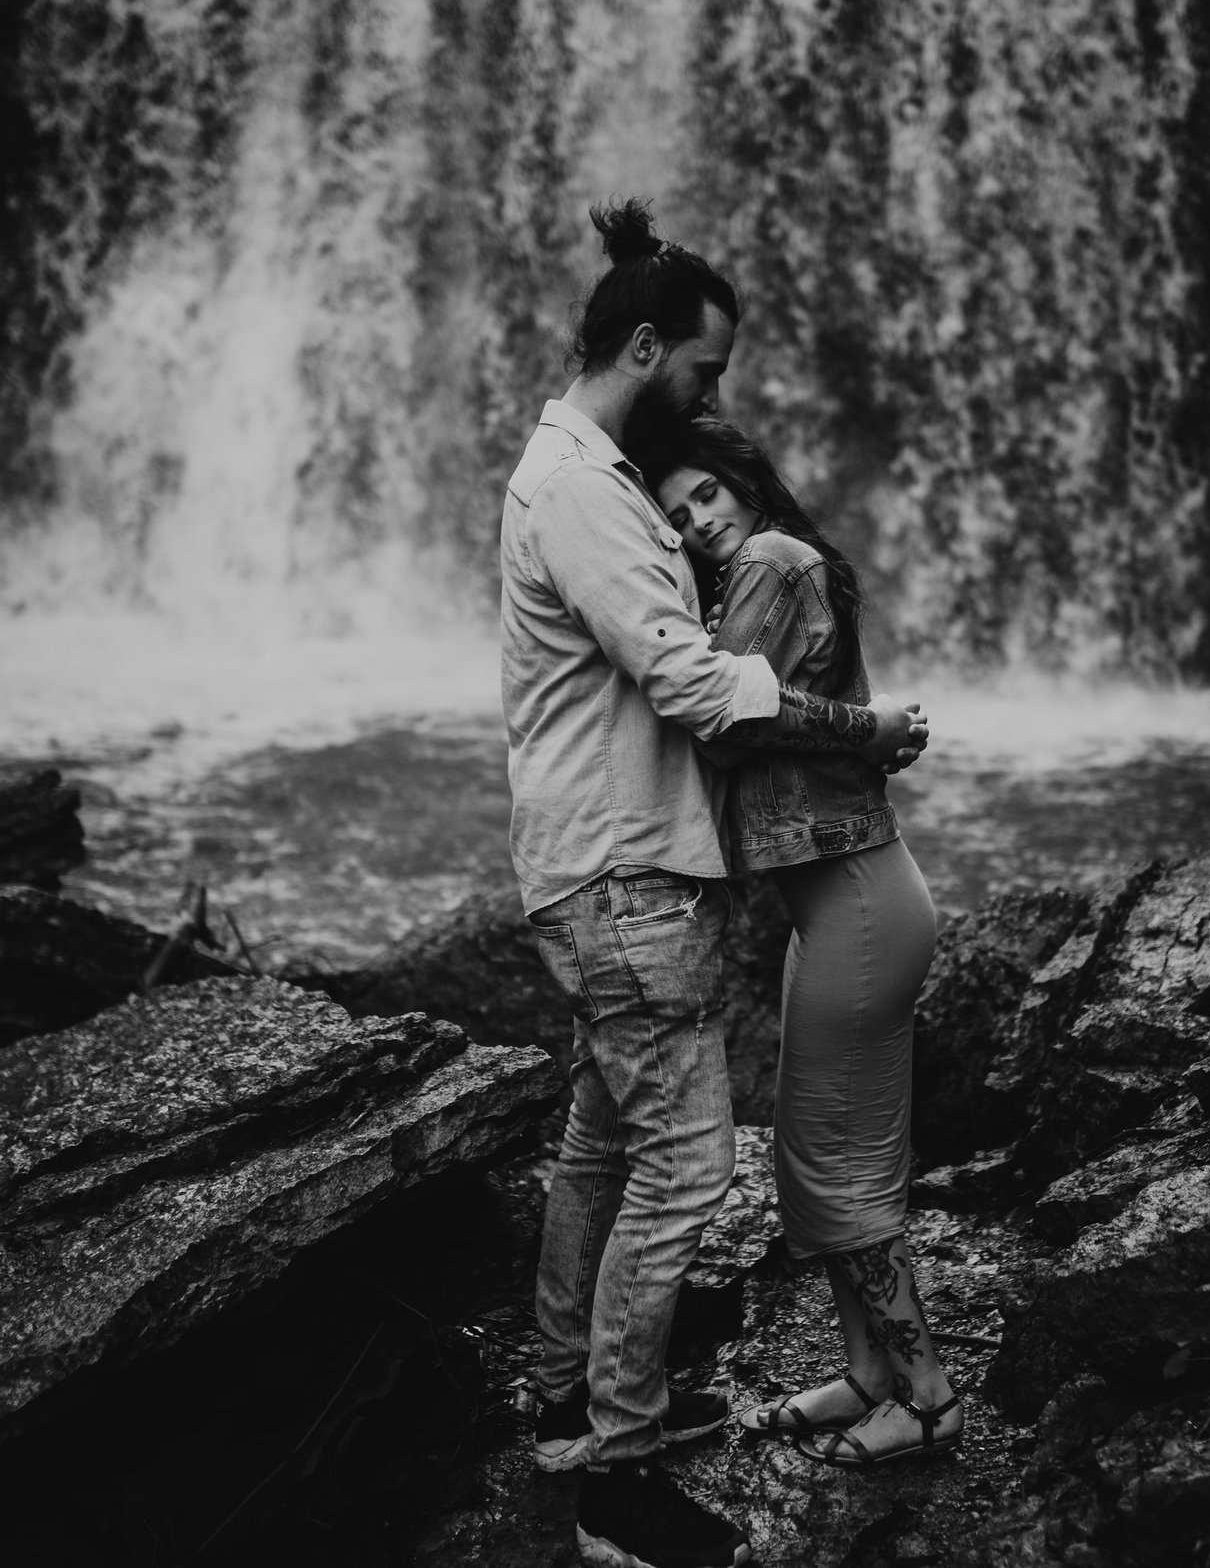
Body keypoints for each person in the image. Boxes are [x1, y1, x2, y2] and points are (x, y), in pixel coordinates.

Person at [500, 199, 926, 1568]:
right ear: (643, 344)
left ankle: (569, 1380)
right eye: (704, 371)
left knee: (603, 1141)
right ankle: (615, 1471)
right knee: (683, 1164)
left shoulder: (585, 475)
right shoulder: (583, 486)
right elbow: (689, 678)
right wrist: (861, 726)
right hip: (622, 874)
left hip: (594, 862)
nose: (712, 402)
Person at [641, 417, 961, 1469]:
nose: (695, 522)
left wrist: (863, 731)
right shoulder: (756, 571)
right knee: (819, 1154)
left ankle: (924, 1394)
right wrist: (866, 726)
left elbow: (733, 712)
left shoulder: (771, 560)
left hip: (857, 902)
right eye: (678, 512)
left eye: (705, 496)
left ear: (742, 483)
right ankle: (868, 1372)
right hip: (837, 901)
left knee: (837, 1166)